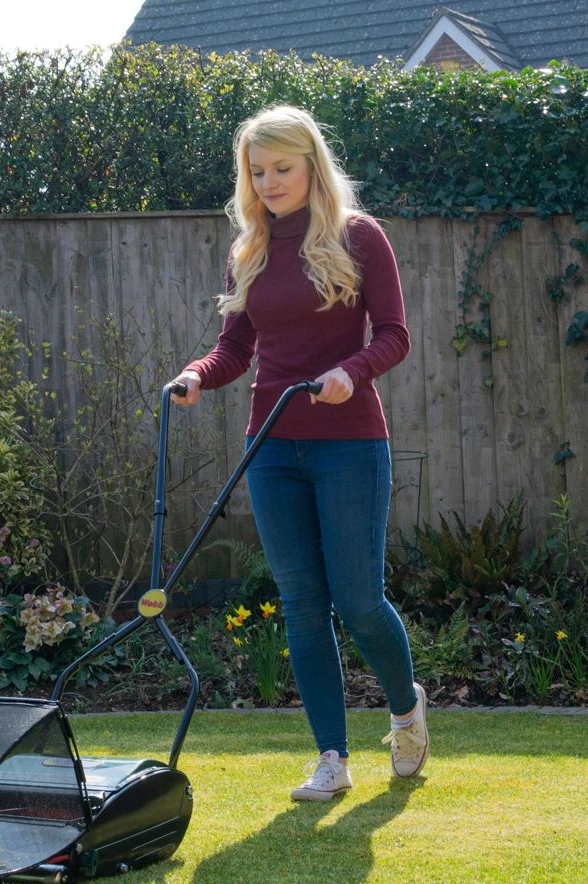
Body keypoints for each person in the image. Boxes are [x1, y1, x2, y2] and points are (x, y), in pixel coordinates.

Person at [171, 105, 428, 801]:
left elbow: (395, 334)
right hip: (272, 447)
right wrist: (197, 375)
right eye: (257, 172)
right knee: (302, 605)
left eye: (281, 168)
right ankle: (332, 758)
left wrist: (353, 371)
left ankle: (405, 708)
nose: (269, 183)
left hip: (350, 445)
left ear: (312, 164)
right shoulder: (249, 249)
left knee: (359, 600)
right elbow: (236, 348)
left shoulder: (358, 236)